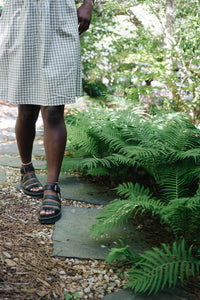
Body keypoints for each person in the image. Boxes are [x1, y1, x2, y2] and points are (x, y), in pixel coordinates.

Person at [0, 0, 94, 224]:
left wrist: (89, 3)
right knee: (27, 108)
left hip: (60, 16)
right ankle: (26, 169)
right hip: (20, 18)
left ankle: (52, 186)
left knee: (53, 109)